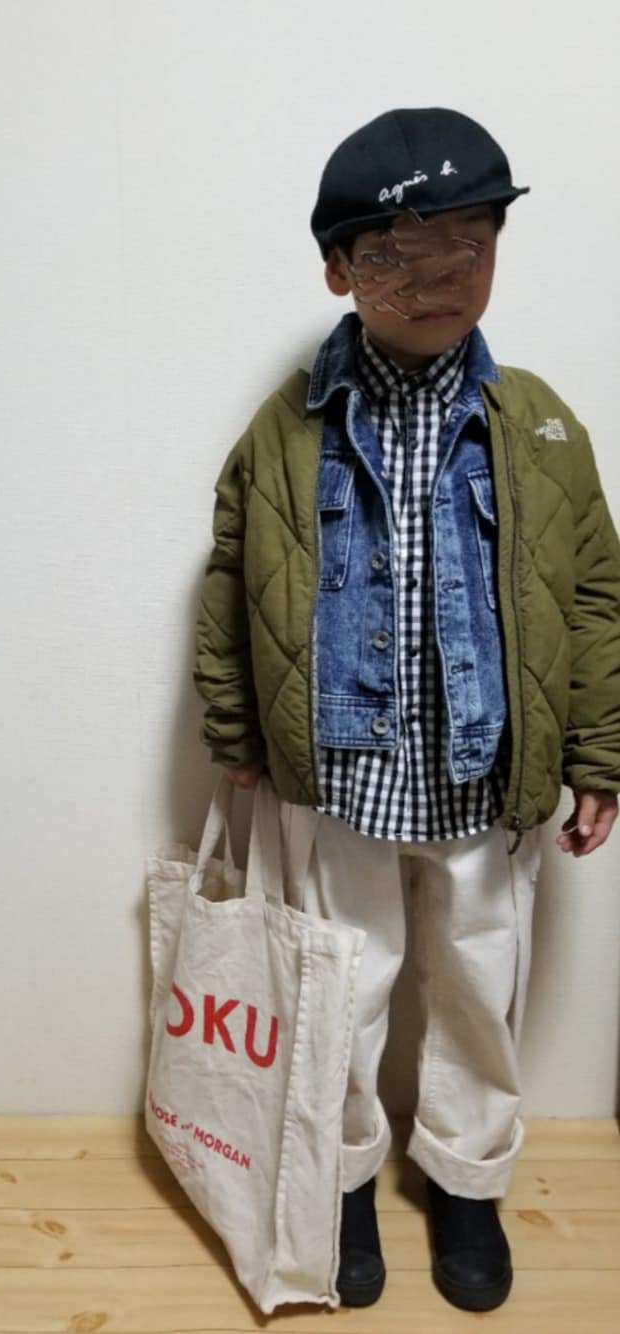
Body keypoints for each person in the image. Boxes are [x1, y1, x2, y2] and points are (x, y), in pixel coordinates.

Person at [192, 106, 620, 1313]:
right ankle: (337, 1177)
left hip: (488, 771)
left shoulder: (536, 422)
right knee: (341, 984)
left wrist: (597, 748)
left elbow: (593, 588)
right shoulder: (289, 427)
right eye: (394, 255)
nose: (435, 281)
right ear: (337, 268)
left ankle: (467, 1178)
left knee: (480, 987)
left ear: (496, 254)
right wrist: (234, 727)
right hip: (339, 772)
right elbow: (230, 575)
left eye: (465, 250)